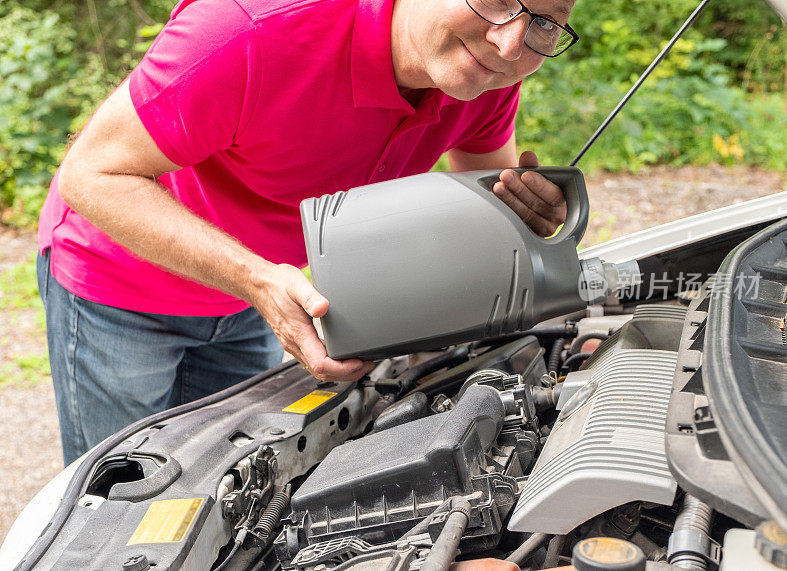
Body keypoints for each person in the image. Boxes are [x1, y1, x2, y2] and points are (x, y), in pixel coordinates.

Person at [37, 0, 577, 465]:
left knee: (217, 487)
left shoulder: (482, 74)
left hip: (249, 289)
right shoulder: (251, 29)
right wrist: (256, 280)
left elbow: (490, 212)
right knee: (122, 503)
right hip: (120, 286)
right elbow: (93, 173)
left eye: (547, 22)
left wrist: (523, 220)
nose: (510, 45)